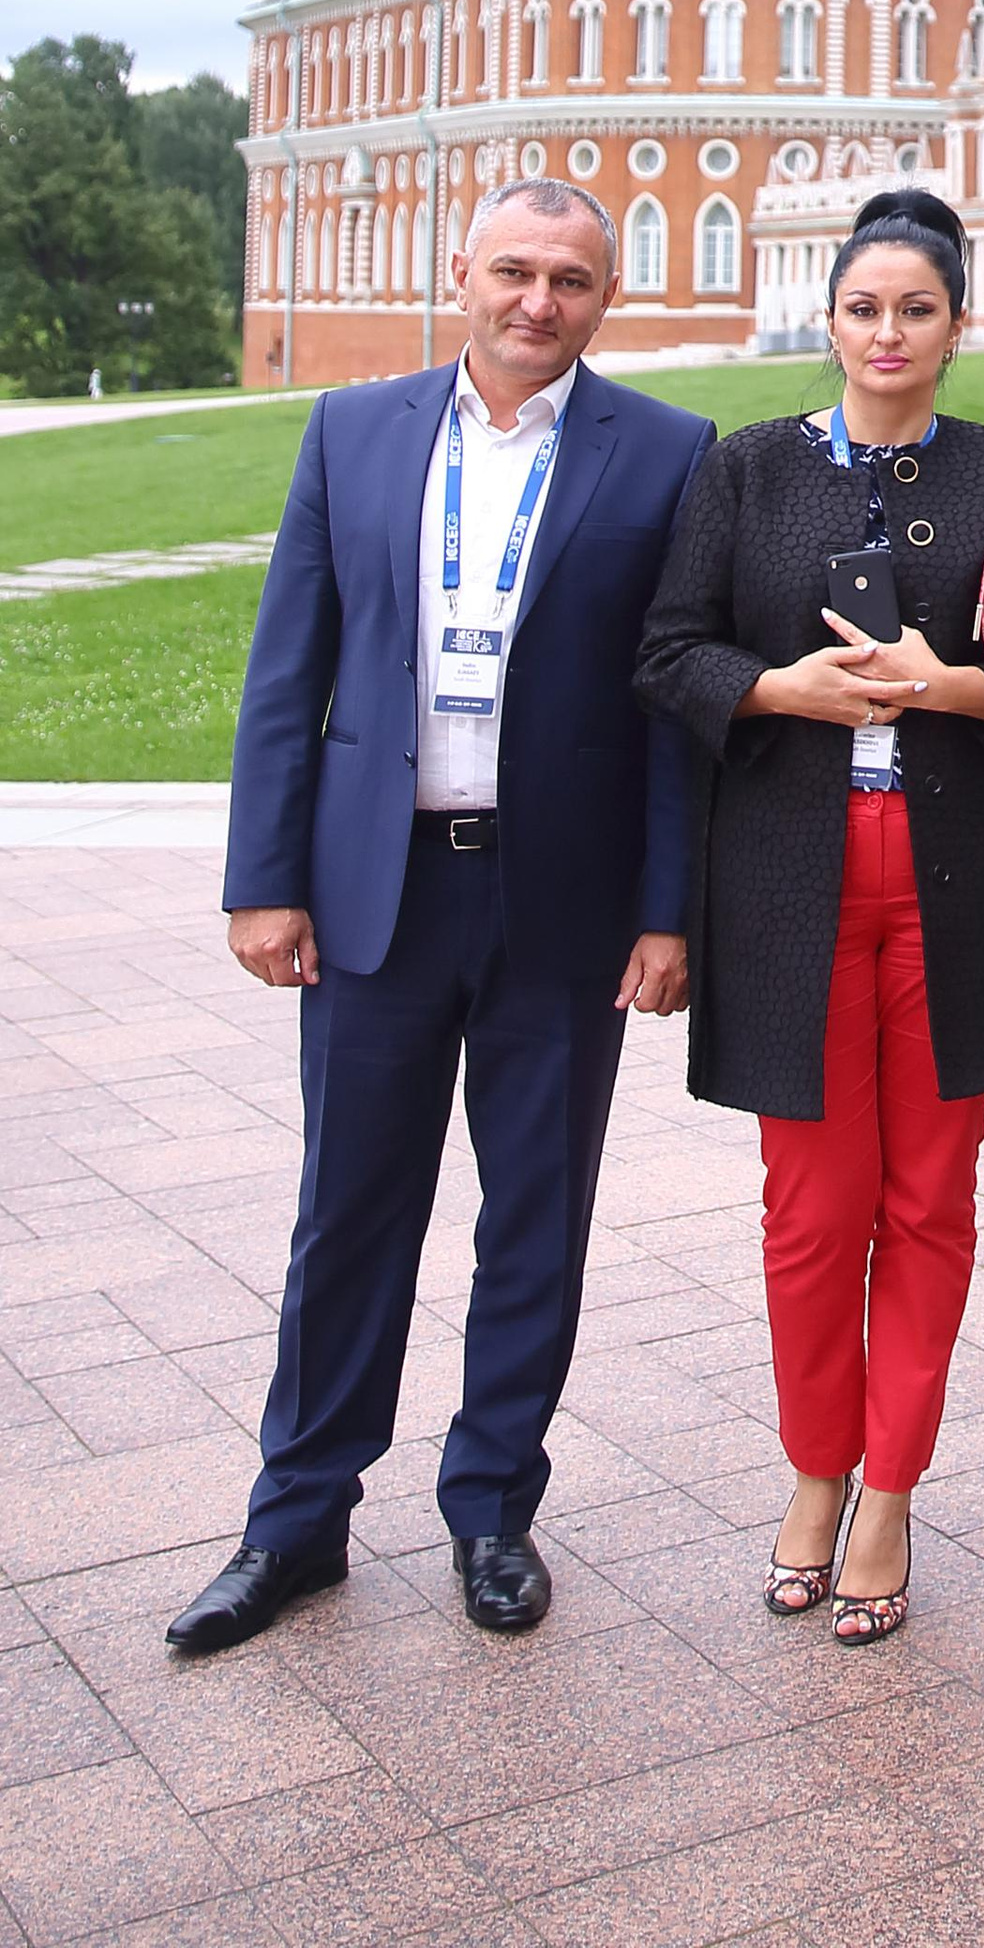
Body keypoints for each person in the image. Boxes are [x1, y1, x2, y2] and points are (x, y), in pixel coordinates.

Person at [167, 181, 710, 1659]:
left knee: (534, 1217)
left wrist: (667, 910)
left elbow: (672, 709)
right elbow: (290, 670)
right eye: (515, 270)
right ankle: (296, 1521)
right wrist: (263, 878)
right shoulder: (353, 432)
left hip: (563, 904)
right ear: (462, 271)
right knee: (349, 1213)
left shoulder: (668, 452)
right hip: (376, 894)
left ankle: (492, 1511)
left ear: (608, 296)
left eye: (572, 280)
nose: (540, 301)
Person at [635, 188, 984, 1641]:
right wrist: (784, 689)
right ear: (829, 322)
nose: (888, 333)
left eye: (917, 310)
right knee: (812, 1207)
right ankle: (815, 1471)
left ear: (956, 329)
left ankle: (890, 1488)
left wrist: (943, 685)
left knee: (929, 1200)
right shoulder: (749, 469)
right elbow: (669, 651)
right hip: (794, 880)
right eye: (864, 309)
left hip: (956, 883)